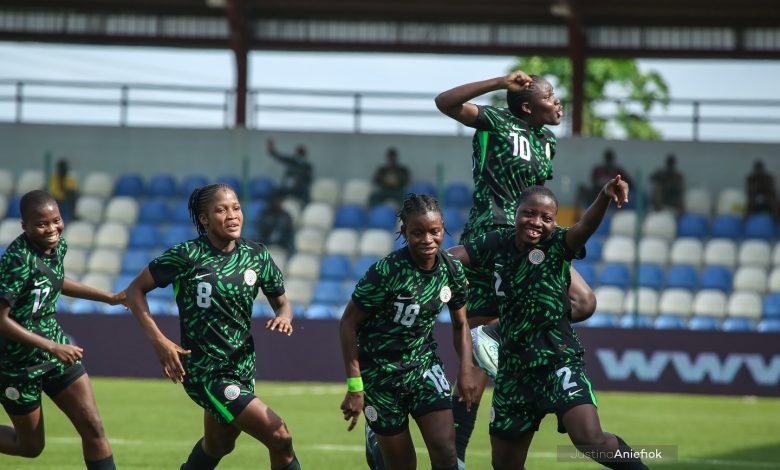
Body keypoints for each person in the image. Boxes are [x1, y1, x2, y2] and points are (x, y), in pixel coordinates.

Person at [433, 71, 597, 467]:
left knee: (583, 301)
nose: (559, 102)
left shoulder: (547, 142)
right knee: (477, 366)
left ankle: (491, 332)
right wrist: (500, 82)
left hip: (530, 241)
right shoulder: (496, 121)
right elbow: (445, 103)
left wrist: (557, 237)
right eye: (551, 95)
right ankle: (452, 456)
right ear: (527, 105)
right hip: (493, 237)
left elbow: (538, 202)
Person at [449, 178, 649, 470]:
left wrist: (604, 196)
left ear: (555, 223)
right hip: (513, 372)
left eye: (546, 218)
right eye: (529, 213)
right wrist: (424, 262)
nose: (536, 222)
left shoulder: (556, 245)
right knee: (504, 464)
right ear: (515, 213)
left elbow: (583, 228)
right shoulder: (496, 242)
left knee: (590, 439)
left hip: (557, 360)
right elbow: (454, 257)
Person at [126, 183, 302, 470]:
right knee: (279, 436)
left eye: (236, 208)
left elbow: (282, 303)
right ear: (205, 219)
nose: (232, 215)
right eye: (221, 210)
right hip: (207, 372)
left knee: (220, 444)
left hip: (242, 368)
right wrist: (160, 342)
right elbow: (135, 291)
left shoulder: (256, 255)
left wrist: (284, 316)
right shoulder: (187, 255)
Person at [339, 193, 477, 470]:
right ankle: (376, 440)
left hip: (423, 367)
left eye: (434, 232)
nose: (427, 240)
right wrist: (356, 386)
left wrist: (465, 368)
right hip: (380, 375)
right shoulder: (386, 272)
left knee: (446, 453)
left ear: (443, 229)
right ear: (404, 233)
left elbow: (461, 323)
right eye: (417, 233)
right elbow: (348, 322)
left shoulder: (452, 271)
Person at [0, 190, 125, 469]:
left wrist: (108, 297)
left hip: (56, 353)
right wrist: (52, 346)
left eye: (55, 220)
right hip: (17, 362)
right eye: (41, 224)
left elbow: (54, 279)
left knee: (93, 427)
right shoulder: (17, 261)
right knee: (30, 447)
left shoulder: (58, 245)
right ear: (24, 226)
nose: (52, 229)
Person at [267, 138, 313, 205]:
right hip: (287, 188)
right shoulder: (291, 161)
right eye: (299, 153)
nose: (299, 156)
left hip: (299, 189)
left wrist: (300, 181)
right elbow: (279, 157)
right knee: (274, 192)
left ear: (305, 155)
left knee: (306, 195)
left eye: (301, 153)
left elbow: (309, 180)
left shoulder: (307, 166)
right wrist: (271, 149)